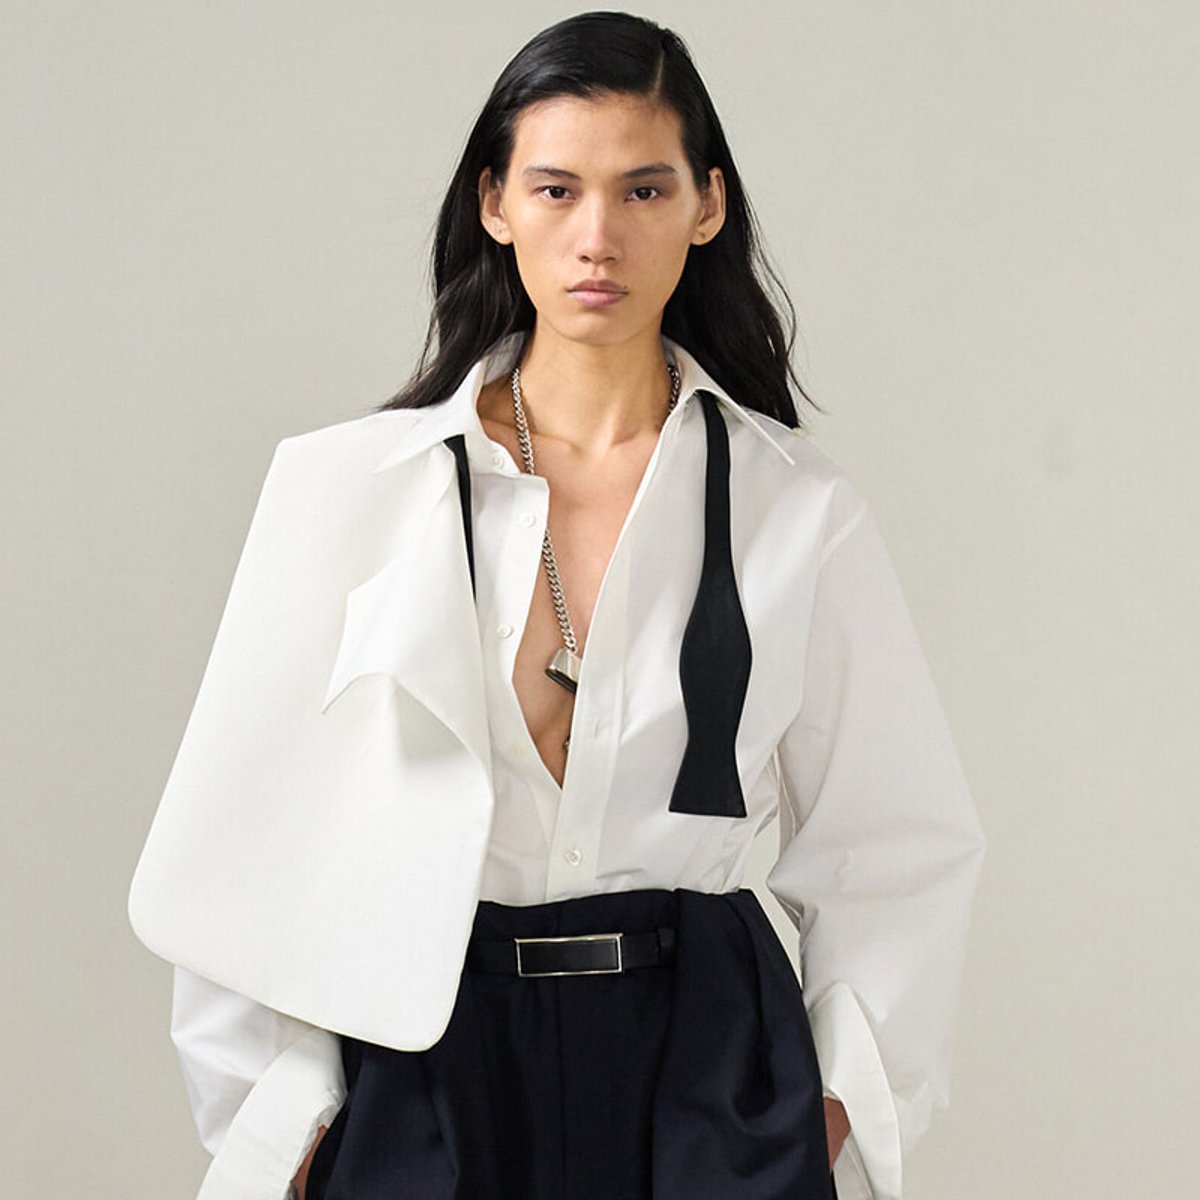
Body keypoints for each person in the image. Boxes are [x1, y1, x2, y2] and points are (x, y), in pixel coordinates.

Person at [127, 11, 985, 1200]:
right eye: (555, 188)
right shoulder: (350, 492)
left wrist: (829, 1107)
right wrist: (285, 1127)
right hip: (424, 1054)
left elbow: (894, 839)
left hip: (708, 1070)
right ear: (495, 203)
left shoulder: (796, 508)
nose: (597, 237)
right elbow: (243, 836)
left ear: (707, 206)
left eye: (644, 190)